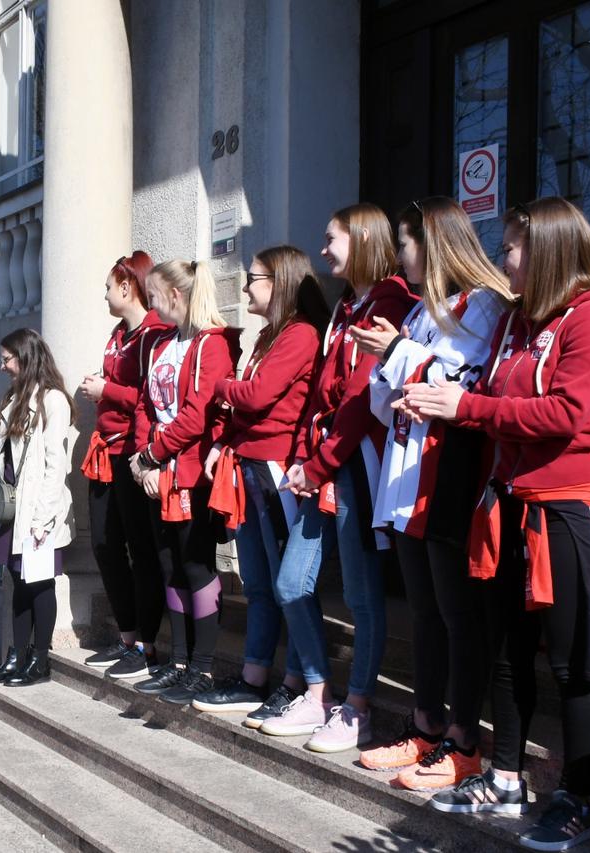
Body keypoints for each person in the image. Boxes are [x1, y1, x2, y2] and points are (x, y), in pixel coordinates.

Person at [402, 199, 590, 851]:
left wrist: (465, 404)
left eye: (511, 247)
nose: (503, 259)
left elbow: (564, 412)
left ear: (550, 251)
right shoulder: (521, 321)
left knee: (578, 662)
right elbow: (503, 400)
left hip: (573, 506)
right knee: (508, 649)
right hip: (509, 501)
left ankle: (577, 799)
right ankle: (505, 777)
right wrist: (459, 403)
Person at [350, 196, 514, 789]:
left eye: (406, 242)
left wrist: (398, 356)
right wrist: (392, 364)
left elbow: (459, 385)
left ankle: (464, 741)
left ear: (437, 243)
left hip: (447, 478)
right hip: (404, 472)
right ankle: (425, 727)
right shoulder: (421, 312)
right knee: (423, 612)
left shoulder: (483, 303)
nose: (400, 254)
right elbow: (386, 391)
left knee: (455, 615)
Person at [260, 203, 417, 752]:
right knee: (290, 583)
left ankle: (358, 708)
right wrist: (307, 458)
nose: (322, 249)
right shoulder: (346, 306)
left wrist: (317, 463)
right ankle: (317, 693)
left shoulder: (392, 300)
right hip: (323, 465)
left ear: (365, 239)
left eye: (333, 239)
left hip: (354, 467)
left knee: (360, 593)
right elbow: (323, 393)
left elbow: (360, 399)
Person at [191, 246, 330, 725]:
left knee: (285, 581)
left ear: (280, 281)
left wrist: (217, 386)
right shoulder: (270, 334)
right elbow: (246, 401)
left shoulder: (300, 334)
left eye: (253, 277)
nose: (246, 285)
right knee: (256, 580)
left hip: (276, 469)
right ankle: (253, 677)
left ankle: (295, 682)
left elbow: (255, 394)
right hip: (248, 464)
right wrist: (224, 435)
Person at [127, 259, 241, 705]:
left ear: (176, 295)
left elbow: (197, 415)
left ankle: (204, 667)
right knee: (168, 564)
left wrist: (153, 455)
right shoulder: (161, 343)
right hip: (157, 471)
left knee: (196, 566)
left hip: (189, 472)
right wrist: (144, 462)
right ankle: (178, 662)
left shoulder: (212, 345)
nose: (150, 306)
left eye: (153, 296)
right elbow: (144, 406)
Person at [77, 252, 174, 681]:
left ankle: (145, 643)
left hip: (134, 452)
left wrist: (107, 390)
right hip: (107, 449)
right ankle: (127, 634)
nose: (103, 293)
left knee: (141, 547)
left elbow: (146, 397)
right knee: (103, 542)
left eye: (108, 285)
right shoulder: (119, 334)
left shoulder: (154, 334)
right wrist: (102, 389)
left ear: (126, 286)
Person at [0, 328, 77, 688]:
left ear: (26, 357)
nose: (2, 366)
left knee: (39, 585)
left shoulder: (53, 401)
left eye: (7, 359)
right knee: (17, 584)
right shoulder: (12, 399)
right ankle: (16, 656)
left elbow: (55, 466)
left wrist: (42, 519)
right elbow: (2, 462)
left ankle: (39, 660)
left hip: (37, 513)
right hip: (12, 511)